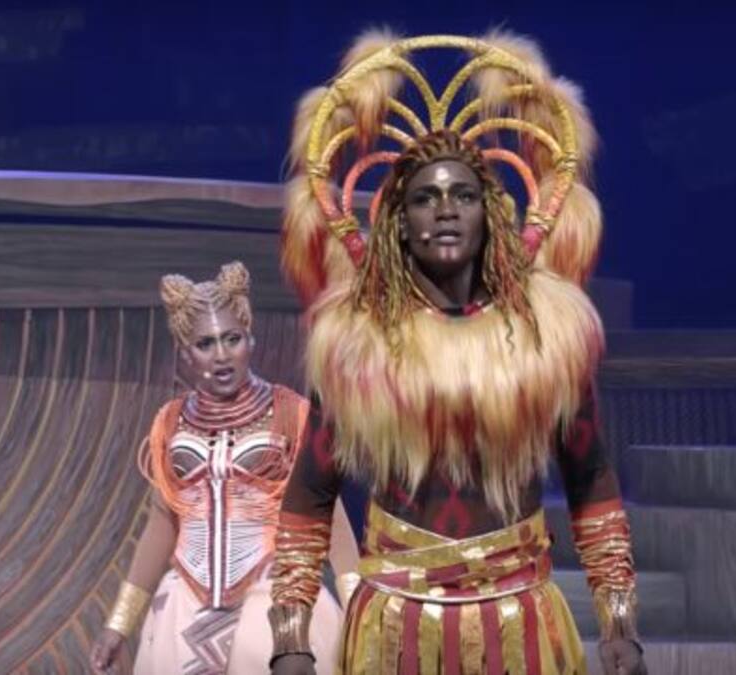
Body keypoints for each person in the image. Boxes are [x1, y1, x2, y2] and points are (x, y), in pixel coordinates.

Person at [267, 32, 647, 674]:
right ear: (398, 220)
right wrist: (289, 637)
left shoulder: (547, 340)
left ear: (490, 212)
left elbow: (590, 480)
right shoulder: (355, 348)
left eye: (463, 195)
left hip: (520, 626)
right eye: (425, 197)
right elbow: (310, 495)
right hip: (395, 631)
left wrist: (619, 622)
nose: (445, 211)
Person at [89, 262, 356, 674]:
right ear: (185, 353)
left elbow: (327, 517)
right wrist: (118, 624)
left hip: (274, 597)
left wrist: (358, 608)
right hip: (185, 606)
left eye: (232, 339)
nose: (221, 355)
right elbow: (162, 522)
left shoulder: (292, 415)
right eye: (205, 344)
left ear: (251, 339)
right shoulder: (170, 422)